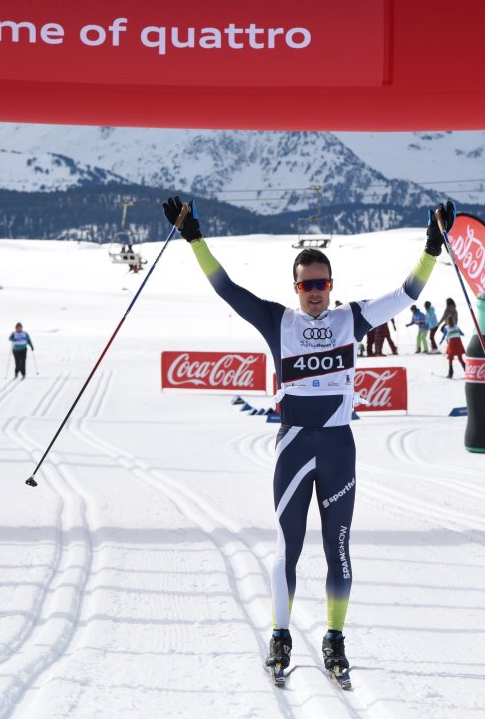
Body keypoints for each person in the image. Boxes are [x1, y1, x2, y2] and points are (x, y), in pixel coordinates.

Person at [162, 194, 455, 684]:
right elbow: (227, 290)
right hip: (295, 446)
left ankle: (335, 639)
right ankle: (281, 635)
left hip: (339, 447)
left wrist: (431, 245)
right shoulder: (280, 321)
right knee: (288, 547)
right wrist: (194, 238)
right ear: (295, 287)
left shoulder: (351, 319)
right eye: (307, 285)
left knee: (338, 551)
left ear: (331, 285)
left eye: (321, 284)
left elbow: (407, 293)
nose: (315, 292)